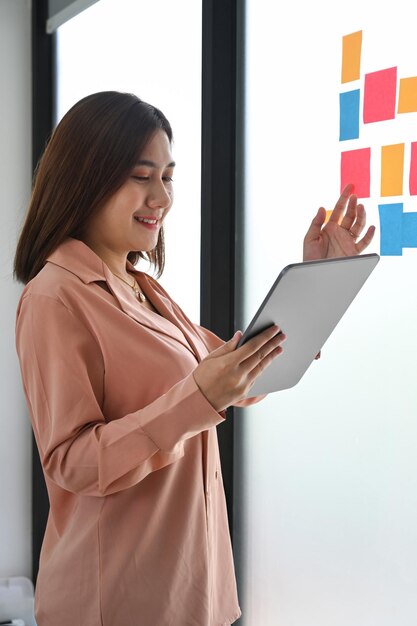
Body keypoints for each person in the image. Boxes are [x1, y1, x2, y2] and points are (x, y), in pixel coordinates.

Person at [14, 91, 375, 626]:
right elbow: (70, 463)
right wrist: (196, 399)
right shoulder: (54, 297)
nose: (161, 196)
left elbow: (240, 373)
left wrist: (316, 280)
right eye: (142, 175)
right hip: (116, 601)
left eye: (168, 176)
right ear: (86, 178)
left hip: (195, 588)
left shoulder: (145, 291)